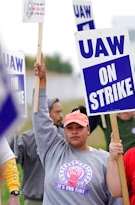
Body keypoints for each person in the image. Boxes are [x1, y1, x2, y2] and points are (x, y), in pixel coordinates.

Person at [32, 53, 122, 205]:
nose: (74, 131)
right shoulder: (53, 149)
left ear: (88, 129)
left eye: (79, 127)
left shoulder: (105, 159)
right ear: (64, 130)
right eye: (70, 127)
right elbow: (40, 117)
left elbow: (117, 198)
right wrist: (42, 80)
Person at [16, 97, 64, 205]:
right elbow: (13, 159)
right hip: (35, 201)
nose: (61, 115)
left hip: (60, 199)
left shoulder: (65, 136)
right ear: (45, 113)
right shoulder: (26, 138)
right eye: (57, 112)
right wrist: (12, 135)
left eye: (61, 111)